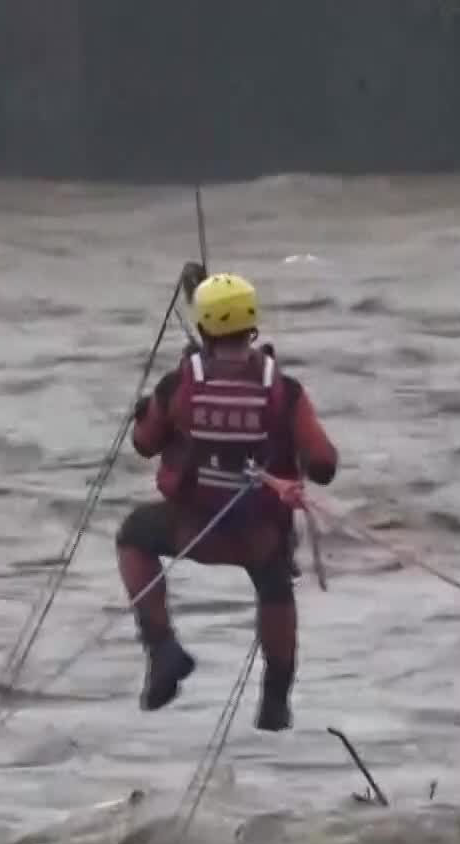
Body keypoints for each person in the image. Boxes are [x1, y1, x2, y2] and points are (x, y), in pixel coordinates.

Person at [115, 267, 340, 732]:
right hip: (258, 537)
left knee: (132, 535)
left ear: (202, 329)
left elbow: (143, 443)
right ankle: (275, 699)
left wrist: (152, 411)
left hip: (192, 530)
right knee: (276, 582)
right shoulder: (284, 390)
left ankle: (162, 650)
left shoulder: (178, 386)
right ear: (253, 326)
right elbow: (324, 464)